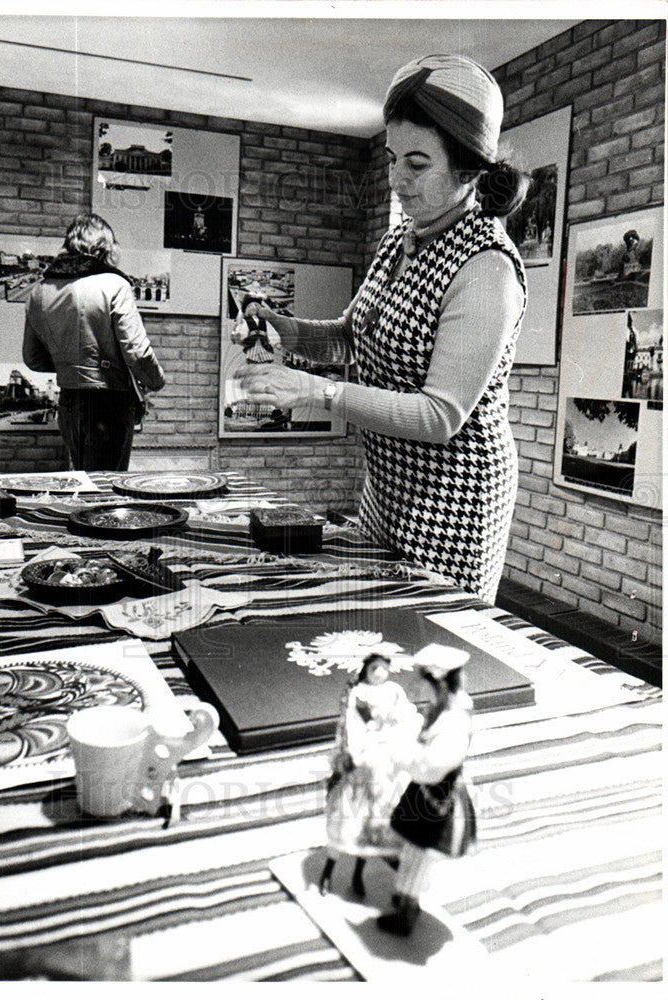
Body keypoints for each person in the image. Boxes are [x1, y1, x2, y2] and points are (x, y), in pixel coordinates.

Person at [239, 54, 530, 603]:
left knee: (425, 644)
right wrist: (285, 329)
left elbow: (440, 415)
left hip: (454, 504)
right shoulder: (402, 240)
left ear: (469, 167)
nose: (396, 179)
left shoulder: (486, 267)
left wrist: (314, 391)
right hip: (389, 488)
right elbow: (352, 335)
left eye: (416, 164)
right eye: (394, 159)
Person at [23, 213, 165, 471]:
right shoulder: (114, 284)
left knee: (84, 482)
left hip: (68, 403)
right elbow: (137, 353)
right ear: (104, 247)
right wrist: (156, 382)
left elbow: (33, 358)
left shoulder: (38, 291)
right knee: (107, 492)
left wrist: (71, 365)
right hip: (108, 405)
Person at [378, 651, 476, 936]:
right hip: (424, 793)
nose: (421, 690)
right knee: (411, 847)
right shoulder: (443, 709)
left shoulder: (455, 722)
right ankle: (405, 895)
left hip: (437, 799)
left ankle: (407, 909)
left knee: (420, 852)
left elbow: (433, 766)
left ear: (441, 685)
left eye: (425, 683)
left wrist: (402, 755)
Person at [319, 653, 421, 896]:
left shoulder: (394, 691)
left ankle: (358, 874)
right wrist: (362, 749)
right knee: (349, 817)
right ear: (366, 670)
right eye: (375, 668)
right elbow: (353, 726)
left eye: (384, 668)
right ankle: (328, 870)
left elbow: (408, 716)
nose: (379, 673)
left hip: (386, 760)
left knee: (369, 825)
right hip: (365, 758)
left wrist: (398, 726)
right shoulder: (359, 693)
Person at [231, 293, 280, 364]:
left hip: (263, 343)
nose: (254, 308)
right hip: (252, 343)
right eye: (250, 306)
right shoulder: (246, 321)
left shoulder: (264, 321)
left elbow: (270, 331)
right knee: (252, 358)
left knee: (266, 358)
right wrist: (238, 336)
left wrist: (276, 342)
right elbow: (243, 330)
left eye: (256, 305)